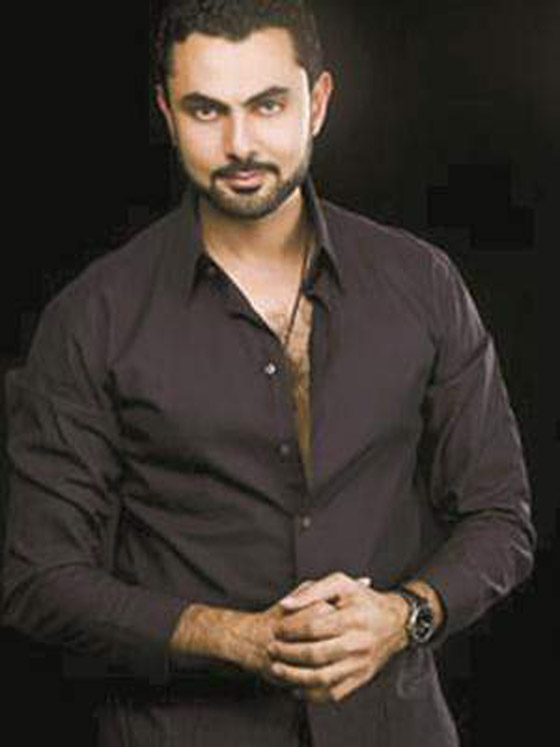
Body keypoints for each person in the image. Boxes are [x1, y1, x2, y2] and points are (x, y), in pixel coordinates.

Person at [2, 1, 536, 745]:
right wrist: (236, 636)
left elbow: (501, 516)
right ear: (166, 113)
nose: (240, 143)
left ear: (318, 103)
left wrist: (403, 614)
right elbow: (39, 577)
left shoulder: (423, 284)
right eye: (206, 110)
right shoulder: (92, 318)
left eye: (267, 105)